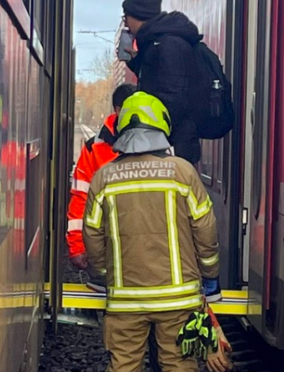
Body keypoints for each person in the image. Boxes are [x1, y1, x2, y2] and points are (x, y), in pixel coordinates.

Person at [83, 91, 221, 372]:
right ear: (162, 125)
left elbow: (93, 235)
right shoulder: (183, 173)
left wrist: (106, 274)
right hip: (179, 300)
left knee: (123, 366)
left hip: (125, 301)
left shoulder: (104, 177)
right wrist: (210, 276)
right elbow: (205, 231)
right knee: (179, 365)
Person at [120, 0, 202, 164]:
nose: (125, 22)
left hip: (172, 145)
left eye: (126, 16)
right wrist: (135, 62)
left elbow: (173, 97)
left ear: (139, 16)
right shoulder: (158, 43)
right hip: (167, 142)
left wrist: (150, 130)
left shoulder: (167, 45)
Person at [67, 83, 136, 292]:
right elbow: (80, 199)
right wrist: (77, 247)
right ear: (117, 110)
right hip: (109, 251)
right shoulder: (93, 149)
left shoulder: (158, 144)